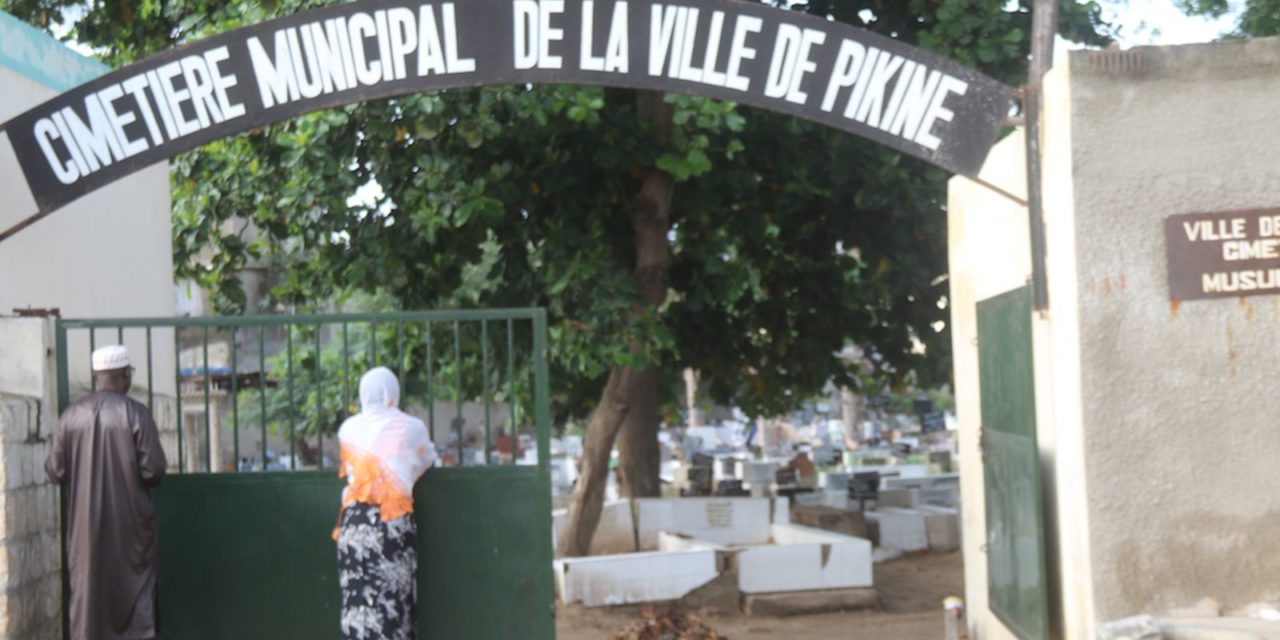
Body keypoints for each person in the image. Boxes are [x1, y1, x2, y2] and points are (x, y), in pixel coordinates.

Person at [46, 345, 167, 640]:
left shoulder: (70, 416)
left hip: (84, 534)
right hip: (132, 532)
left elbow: (55, 471)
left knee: (88, 601)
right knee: (136, 597)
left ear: (97, 376)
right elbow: (154, 471)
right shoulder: (136, 414)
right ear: (125, 375)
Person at [335, 367, 436, 640]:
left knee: (357, 605)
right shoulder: (410, 427)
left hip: (354, 527)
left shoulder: (348, 429)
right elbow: (426, 458)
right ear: (393, 392)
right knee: (394, 605)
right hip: (392, 524)